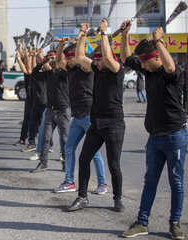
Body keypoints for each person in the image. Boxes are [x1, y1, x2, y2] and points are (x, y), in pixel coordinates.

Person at [119, 21, 188, 239]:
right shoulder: (148, 70)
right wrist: (124, 34)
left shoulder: (173, 74)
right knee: (150, 180)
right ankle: (142, 222)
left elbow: (170, 67)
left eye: (145, 62)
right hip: (154, 137)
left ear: (157, 56)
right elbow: (125, 58)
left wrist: (159, 41)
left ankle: (175, 223)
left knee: (176, 182)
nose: (141, 66)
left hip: (175, 136)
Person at [65, 20, 125, 212]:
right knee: (84, 158)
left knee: (114, 164)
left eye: (98, 60)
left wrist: (104, 33)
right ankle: (82, 197)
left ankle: (117, 198)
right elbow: (80, 55)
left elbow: (107, 56)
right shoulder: (97, 70)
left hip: (114, 124)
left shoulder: (117, 70)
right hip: (97, 124)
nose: (96, 63)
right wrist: (82, 34)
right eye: (96, 60)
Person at [53, 37, 107, 194]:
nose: (68, 61)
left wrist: (81, 36)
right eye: (67, 58)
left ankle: (102, 183)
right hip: (77, 117)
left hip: (89, 115)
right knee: (69, 148)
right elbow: (58, 62)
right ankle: (69, 182)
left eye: (71, 58)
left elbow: (81, 57)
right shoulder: (69, 69)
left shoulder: (86, 67)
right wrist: (61, 45)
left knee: (94, 152)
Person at [29, 50, 71, 173]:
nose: (52, 61)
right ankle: (43, 163)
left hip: (63, 111)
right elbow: (34, 74)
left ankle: (65, 163)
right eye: (50, 58)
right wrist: (42, 62)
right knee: (45, 138)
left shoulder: (64, 73)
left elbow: (65, 67)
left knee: (64, 139)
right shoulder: (47, 74)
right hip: (50, 111)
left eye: (54, 58)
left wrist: (59, 60)